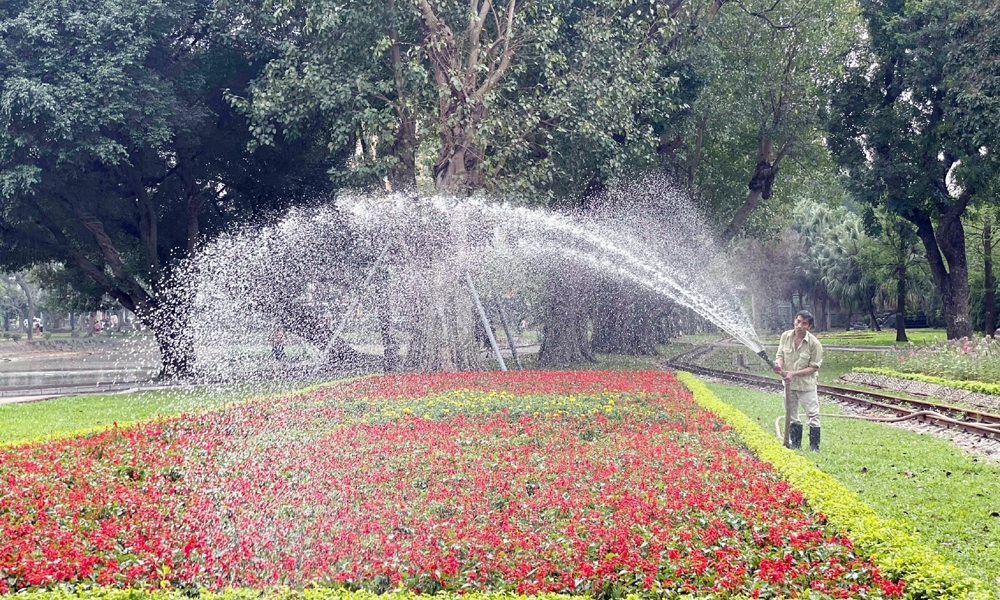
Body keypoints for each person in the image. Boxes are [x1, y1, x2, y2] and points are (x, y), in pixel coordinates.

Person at [773, 310, 824, 451]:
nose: (800, 325)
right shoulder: (785, 336)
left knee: (813, 415)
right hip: (789, 385)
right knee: (792, 415)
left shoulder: (814, 344)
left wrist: (793, 373)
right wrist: (778, 364)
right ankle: (795, 444)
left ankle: (814, 448)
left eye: (804, 323)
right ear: (794, 321)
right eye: (798, 321)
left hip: (806, 386)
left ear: (809, 327)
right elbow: (780, 355)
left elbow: (814, 367)